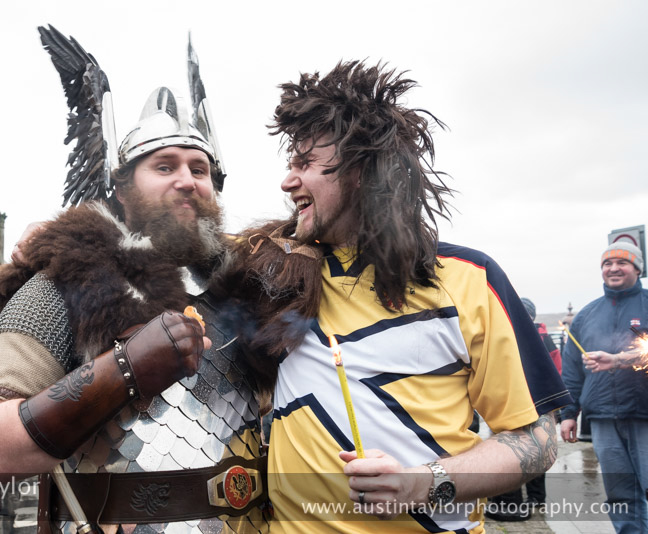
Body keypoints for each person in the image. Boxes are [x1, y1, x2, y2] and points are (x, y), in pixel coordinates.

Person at [242, 61, 571, 533]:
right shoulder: (277, 277)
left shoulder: (469, 279)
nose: (287, 181)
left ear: (359, 169)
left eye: (305, 164)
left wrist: (424, 483)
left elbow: (537, 441)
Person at [0, 26, 266, 534]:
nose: (187, 180)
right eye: (164, 165)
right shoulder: (66, 282)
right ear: (123, 190)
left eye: (200, 168)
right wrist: (123, 369)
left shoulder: (252, 289)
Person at [560, 241, 648, 534]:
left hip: (644, 413)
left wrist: (620, 359)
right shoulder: (586, 315)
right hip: (603, 418)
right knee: (621, 494)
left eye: (622, 263)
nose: (613, 268)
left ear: (637, 267)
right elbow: (572, 370)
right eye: (607, 264)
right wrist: (570, 413)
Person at [485, 297, 562, 521]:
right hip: (534, 402)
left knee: (517, 450)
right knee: (537, 448)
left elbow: (555, 370)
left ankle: (513, 502)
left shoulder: (521, 336)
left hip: (523, 402)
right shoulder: (544, 337)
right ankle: (535, 498)